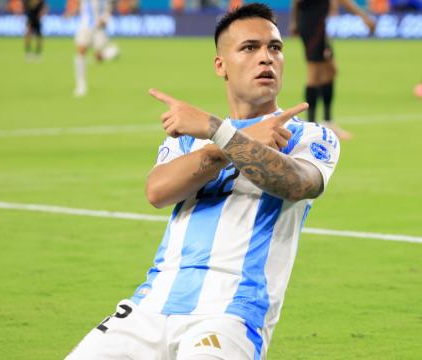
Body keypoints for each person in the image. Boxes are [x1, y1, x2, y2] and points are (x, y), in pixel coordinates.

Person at [65, 3, 340, 359]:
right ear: (220, 66)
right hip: (150, 306)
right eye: (249, 48)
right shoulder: (188, 138)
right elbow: (157, 191)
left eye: (275, 47)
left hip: (231, 314)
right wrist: (224, 143)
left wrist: (217, 130)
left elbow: (297, 184)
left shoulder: (308, 136)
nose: (266, 58)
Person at [290, 0, 375, 140]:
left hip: (318, 25)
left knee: (330, 71)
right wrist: (364, 17)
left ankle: (328, 122)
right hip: (313, 25)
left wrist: (294, 21)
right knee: (314, 74)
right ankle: (310, 128)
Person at [71, 0, 119, 97]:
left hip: (99, 27)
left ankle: (111, 52)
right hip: (85, 26)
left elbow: (111, 7)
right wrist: (72, 11)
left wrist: (105, 19)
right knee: (81, 51)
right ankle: (81, 85)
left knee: (98, 58)